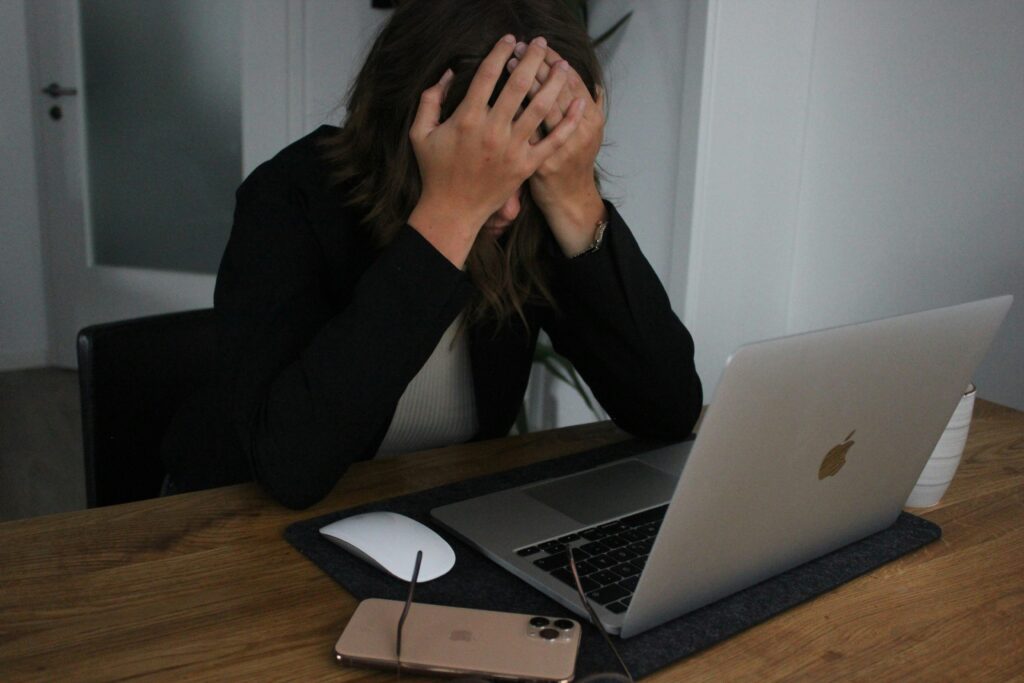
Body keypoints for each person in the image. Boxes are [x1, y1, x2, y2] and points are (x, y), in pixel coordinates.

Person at [161, 0, 702, 509]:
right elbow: (290, 466)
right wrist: (449, 219)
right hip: (227, 521)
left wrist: (576, 199)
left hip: (430, 511)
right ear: (408, 127)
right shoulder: (288, 195)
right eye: (483, 164)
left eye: (530, 165)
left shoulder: (539, 208)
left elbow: (668, 411)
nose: (509, 208)